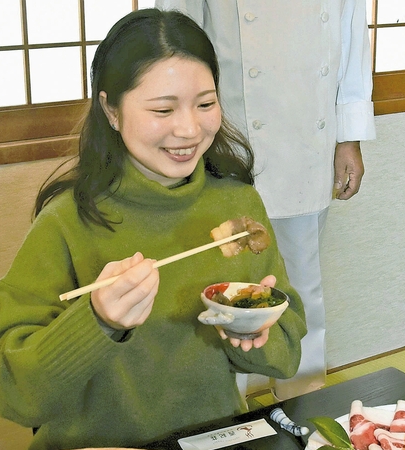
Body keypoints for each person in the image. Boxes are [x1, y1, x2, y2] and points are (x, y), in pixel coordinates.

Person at [0, 8, 306, 450]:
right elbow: (10, 392)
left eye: (205, 104)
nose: (188, 129)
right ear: (110, 109)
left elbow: (286, 354)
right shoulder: (67, 221)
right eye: (163, 109)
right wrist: (98, 322)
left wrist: (250, 331)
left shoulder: (238, 205)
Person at [156, 0, 376, 400]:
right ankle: (224, 410)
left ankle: (305, 398)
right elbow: (173, 33)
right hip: (229, 137)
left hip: (308, 143)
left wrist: (350, 136)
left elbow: (351, 37)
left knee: (301, 284)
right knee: (221, 283)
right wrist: (179, 126)